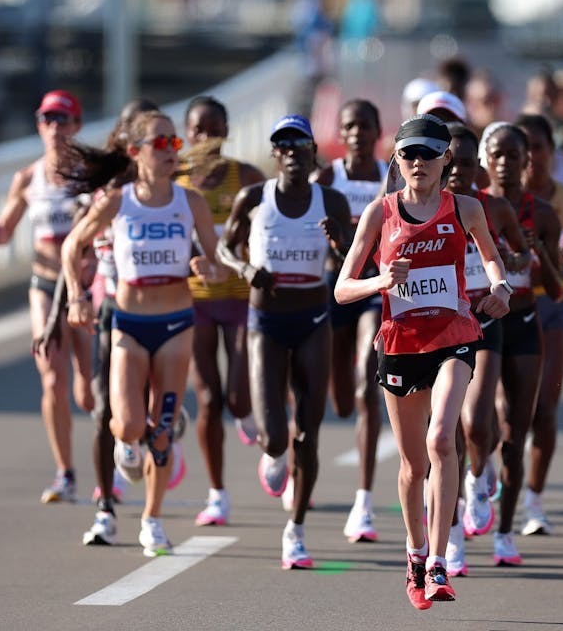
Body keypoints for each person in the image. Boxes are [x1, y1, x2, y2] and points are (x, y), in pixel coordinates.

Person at [334, 114, 510, 608]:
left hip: (454, 335)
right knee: (413, 466)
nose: (418, 163)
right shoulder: (379, 214)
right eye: (409, 154)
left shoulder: (466, 208)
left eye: (428, 154)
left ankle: (439, 562)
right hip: (400, 344)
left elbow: (492, 260)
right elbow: (343, 288)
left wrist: (500, 288)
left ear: (446, 160)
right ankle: (414, 555)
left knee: (441, 439)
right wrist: (381, 281)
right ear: (397, 158)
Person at [61, 110, 225, 556]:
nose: (172, 151)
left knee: (161, 431)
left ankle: (152, 519)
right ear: (136, 153)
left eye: (175, 143)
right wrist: (77, 296)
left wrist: (207, 268)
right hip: (129, 325)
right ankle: (126, 443)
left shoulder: (189, 201)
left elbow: (216, 257)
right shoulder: (118, 200)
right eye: (161, 144)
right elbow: (72, 244)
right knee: (128, 424)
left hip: (175, 325)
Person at [217, 114, 352, 568]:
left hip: (314, 320)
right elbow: (224, 246)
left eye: (300, 144)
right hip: (266, 324)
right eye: (284, 145)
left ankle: (295, 531)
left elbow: (358, 255)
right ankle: (273, 456)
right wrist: (244, 269)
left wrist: (341, 243)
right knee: (276, 438)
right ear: (274, 154)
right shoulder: (254, 198)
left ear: (313, 151)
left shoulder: (329, 200)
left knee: (308, 435)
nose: (292, 151)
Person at [36, 98, 163, 545]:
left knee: (151, 412)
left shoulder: (171, 188)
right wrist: (66, 305)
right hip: (111, 306)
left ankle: (152, 513)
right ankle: (105, 507)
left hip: (162, 310)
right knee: (102, 406)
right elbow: (74, 250)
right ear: (128, 144)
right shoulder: (104, 191)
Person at [0, 90, 94, 504]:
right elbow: (7, 228)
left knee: (86, 391)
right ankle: (65, 472)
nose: (54, 128)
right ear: (39, 125)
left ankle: (119, 447)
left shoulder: (89, 173)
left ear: (77, 126)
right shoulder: (27, 178)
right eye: (47, 120)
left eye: (62, 120)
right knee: (52, 377)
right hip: (44, 284)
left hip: (80, 287)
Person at [176, 96, 265, 527]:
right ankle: (217, 494)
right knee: (209, 399)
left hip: (240, 298)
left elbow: (274, 222)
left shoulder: (245, 176)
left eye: (214, 129)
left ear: (226, 132)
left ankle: (249, 414)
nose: (205, 138)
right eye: (198, 130)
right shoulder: (175, 182)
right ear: (186, 134)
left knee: (237, 394)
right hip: (196, 302)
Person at [445, 123, 530, 576]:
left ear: (477, 166)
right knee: (446, 434)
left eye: (466, 163)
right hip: (439, 326)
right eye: (451, 162)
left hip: (485, 319)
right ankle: (453, 534)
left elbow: (518, 253)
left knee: (478, 423)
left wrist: (513, 265)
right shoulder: (424, 208)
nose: (458, 171)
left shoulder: (490, 207)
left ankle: (479, 477)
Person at [482, 122, 563, 565]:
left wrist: (540, 255)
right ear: (484, 159)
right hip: (484, 326)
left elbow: (557, 291)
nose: (505, 163)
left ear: (525, 162)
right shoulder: (472, 207)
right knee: (484, 424)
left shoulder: (544, 213)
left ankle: (504, 531)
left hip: (526, 322)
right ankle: (479, 468)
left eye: (514, 155)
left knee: (517, 431)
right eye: (497, 154)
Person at [311, 99, 388, 542]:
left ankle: (363, 503)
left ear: (378, 131)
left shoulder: (388, 179)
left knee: (365, 383)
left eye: (364, 124)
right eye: (349, 126)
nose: (357, 132)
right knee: (338, 399)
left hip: (373, 290)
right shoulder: (327, 177)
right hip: (332, 288)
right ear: (341, 133)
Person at [514, 113, 563, 536]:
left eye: (539, 148)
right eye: (524, 149)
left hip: (554, 308)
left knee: (546, 407)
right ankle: (493, 479)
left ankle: (534, 501)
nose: (531, 158)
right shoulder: (497, 201)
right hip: (510, 307)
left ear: (550, 153)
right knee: (508, 412)